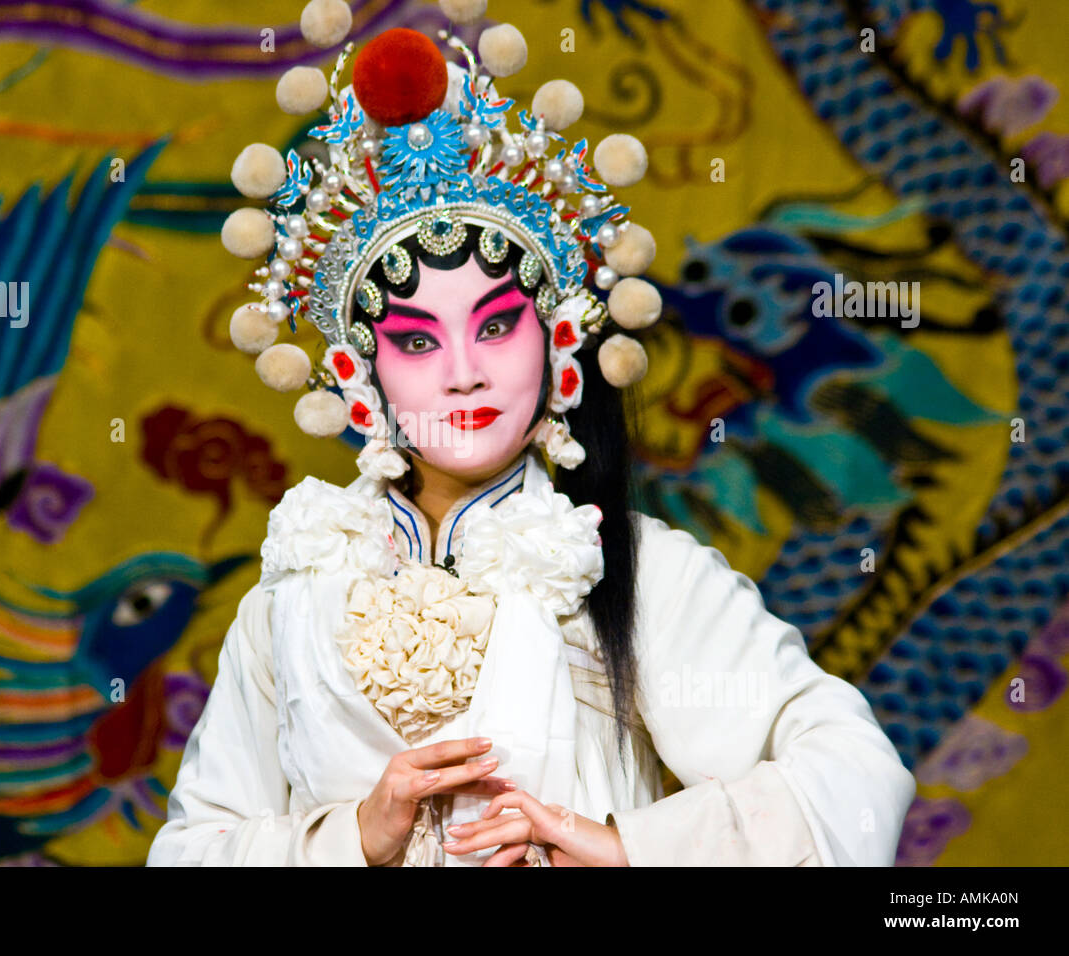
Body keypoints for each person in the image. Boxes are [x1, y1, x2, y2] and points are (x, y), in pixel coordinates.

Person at [147, 7, 915, 867]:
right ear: (359, 373)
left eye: (498, 326)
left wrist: (627, 847)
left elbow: (853, 775)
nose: (464, 370)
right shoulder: (289, 603)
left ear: (557, 346)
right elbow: (190, 850)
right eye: (415, 340)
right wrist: (354, 837)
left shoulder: (629, 571)